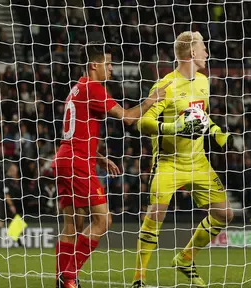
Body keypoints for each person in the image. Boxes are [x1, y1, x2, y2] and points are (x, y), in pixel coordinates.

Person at [53, 41, 170, 288]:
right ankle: (68, 277)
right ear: (94, 65)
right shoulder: (94, 88)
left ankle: (62, 279)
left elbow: (79, 130)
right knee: (103, 221)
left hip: (65, 158)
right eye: (108, 64)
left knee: (73, 224)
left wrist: (99, 157)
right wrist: (152, 99)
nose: (112, 69)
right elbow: (127, 117)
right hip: (77, 162)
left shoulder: (77, 88)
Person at [131, 31, 234, 288]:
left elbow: (199, 116)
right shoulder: (165, 86)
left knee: (224, 214)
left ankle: (185, 259)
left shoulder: (203, 82)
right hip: (169, 162)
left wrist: (215, 130)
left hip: (198, 161)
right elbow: (141, 122)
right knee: (156, 213)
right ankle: (139, 278)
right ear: (191, 54)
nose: (207, 54)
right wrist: (173, 128)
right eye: (203, 49)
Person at [0, 163, 23, 248]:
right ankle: (20, 244)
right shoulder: (7, 180)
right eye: (15, 170)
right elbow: (6, 194)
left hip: (8, 205)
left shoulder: (13, 180)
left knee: (1, 224)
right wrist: (11, 205)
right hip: (5, 205)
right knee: (14, 222)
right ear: (11, 170)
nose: (16, 172)